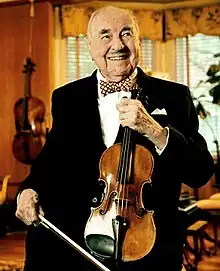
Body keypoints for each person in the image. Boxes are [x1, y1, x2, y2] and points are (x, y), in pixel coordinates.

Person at [15, 5, 215, 271]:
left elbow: (200, 171)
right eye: (105, 35)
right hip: (78, 243)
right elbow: (50, 163)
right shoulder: (67, 97)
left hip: (148, 245)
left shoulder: (174, 96)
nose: (117, 45)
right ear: (89, 45)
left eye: (126, 33)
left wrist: (155, 131)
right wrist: (27, 190)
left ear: (139, 41)